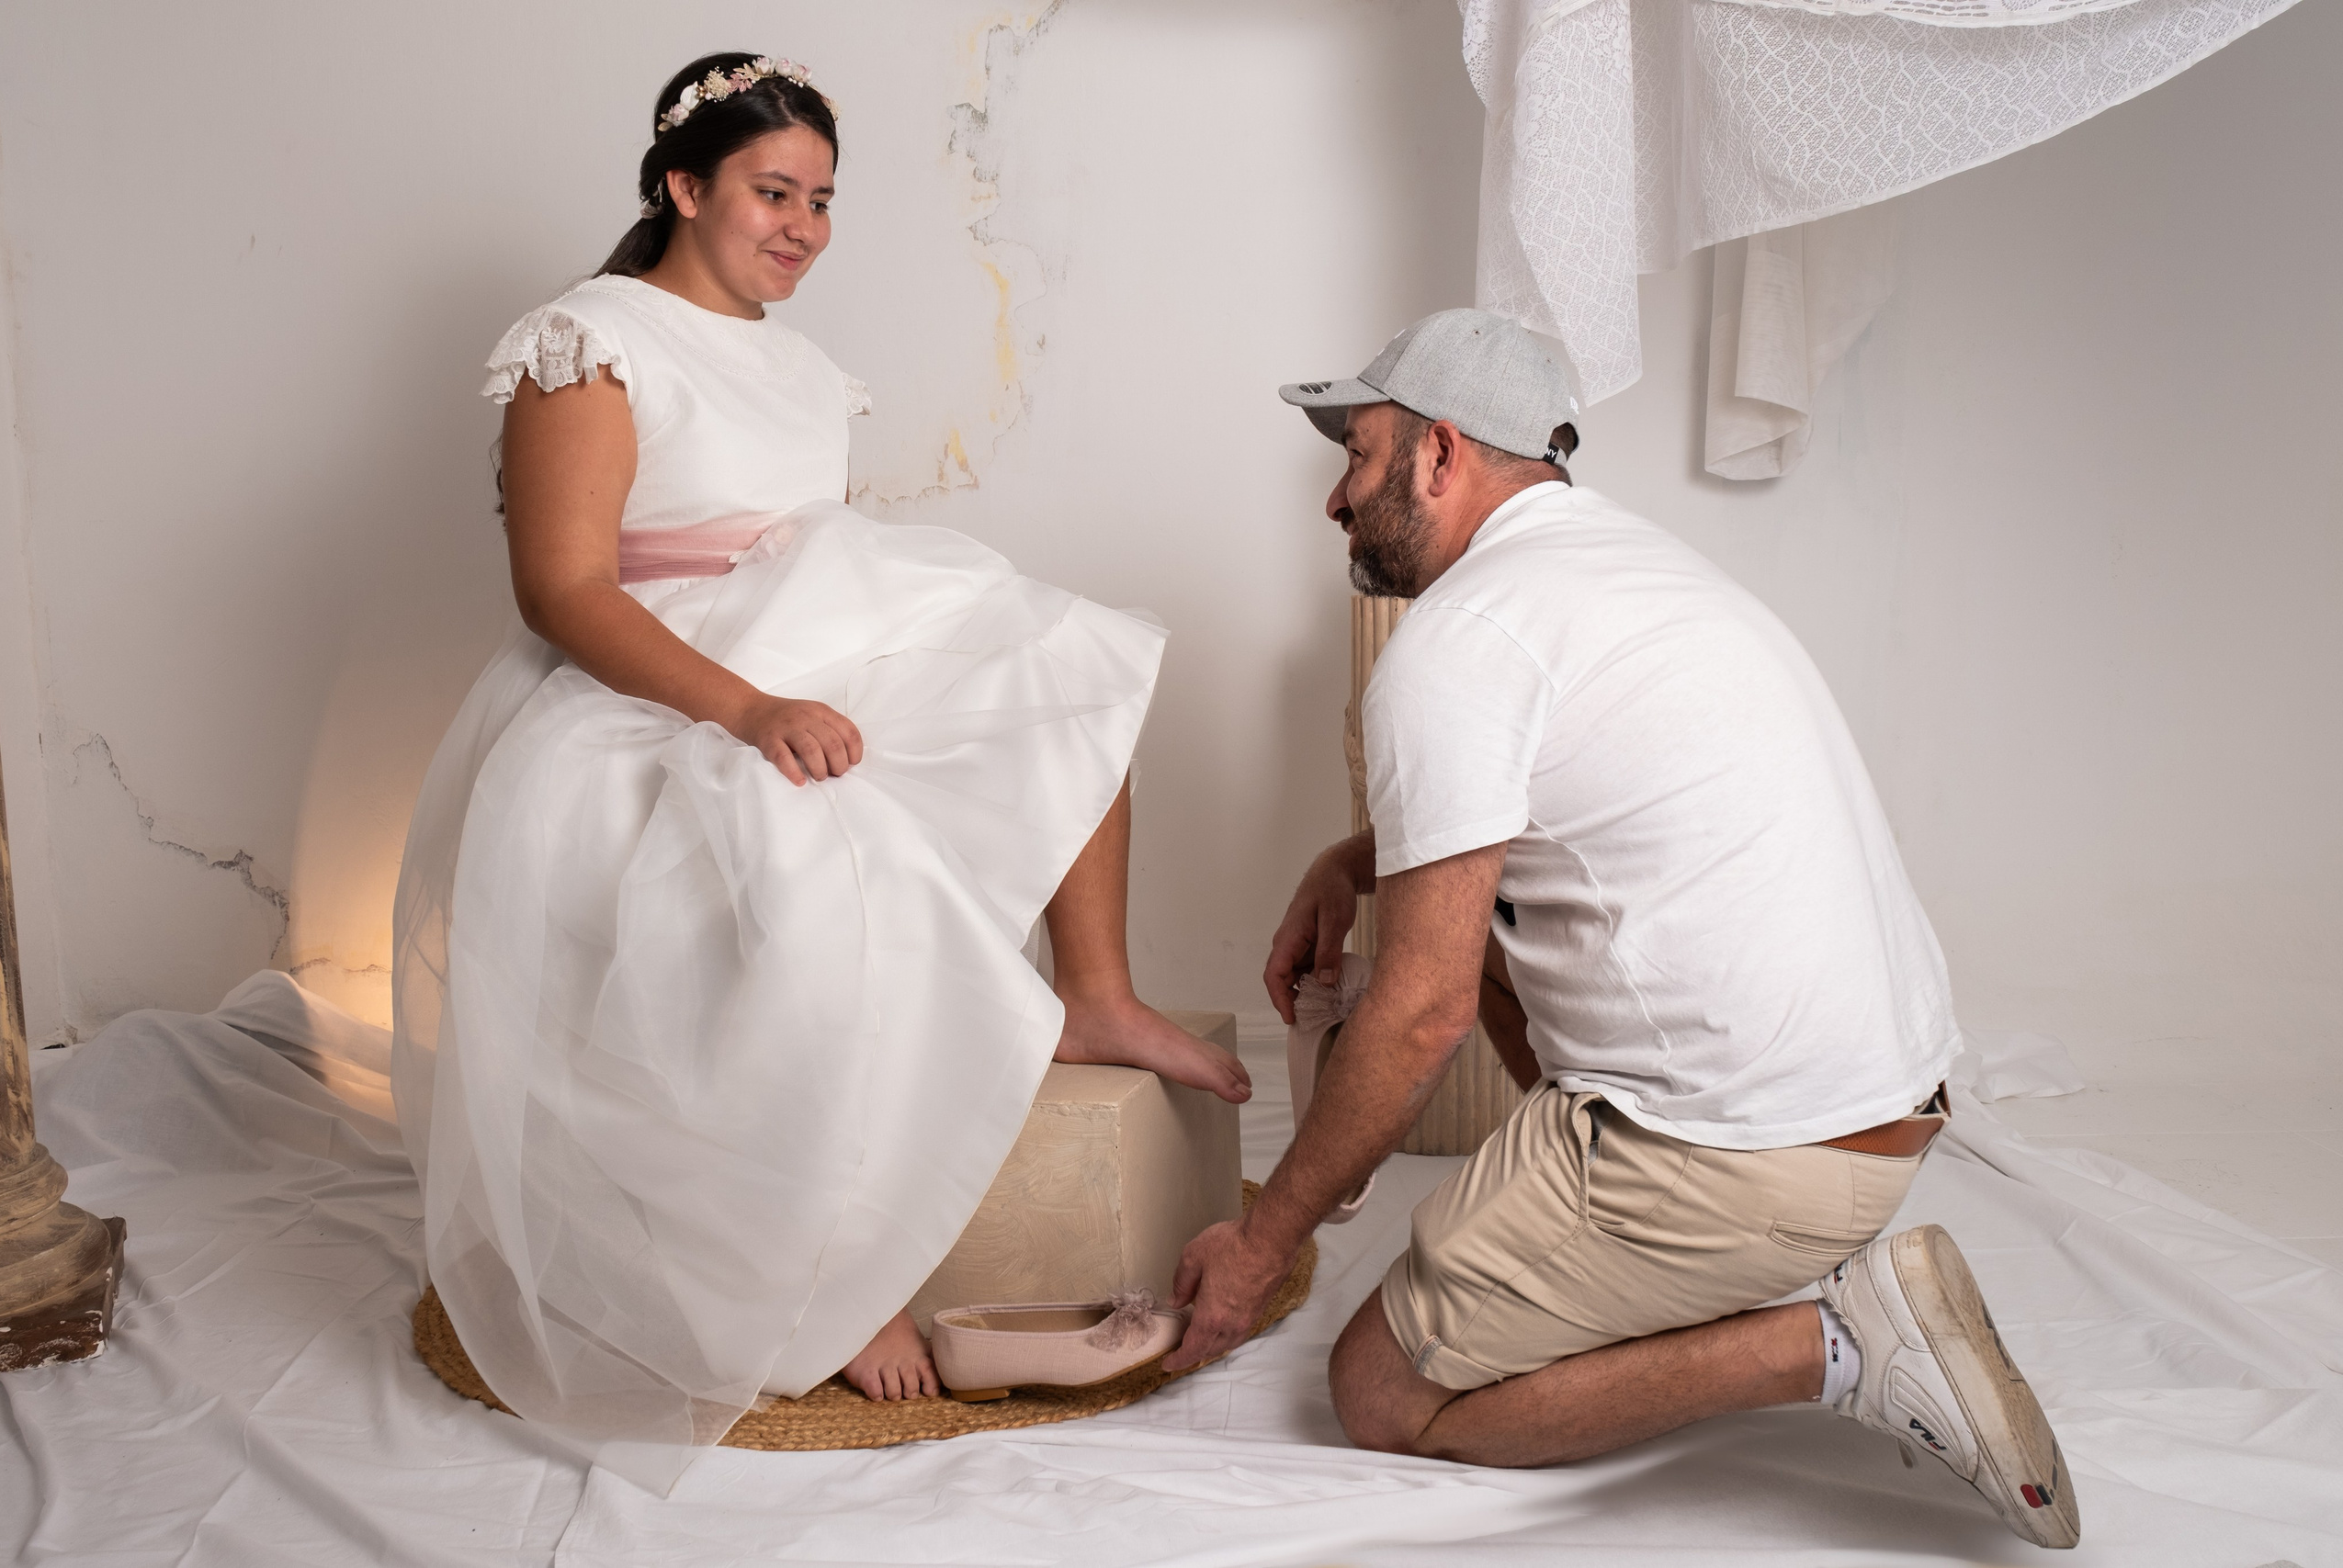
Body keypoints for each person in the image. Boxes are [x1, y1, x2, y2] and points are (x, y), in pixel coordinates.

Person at [389, 51, 1248, 1461]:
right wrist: (746, 711)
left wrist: (834, 683)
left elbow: (803, 559)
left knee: (1060, 671)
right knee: (826, 859)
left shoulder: (803, 369)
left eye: (823, 201)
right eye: (771, 192)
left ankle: (1094, 993)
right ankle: (827, 1278)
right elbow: (565, 590)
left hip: (803, 652)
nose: (801, 227)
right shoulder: (591, 339)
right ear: (683, 186)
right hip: (650, 699)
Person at [1166, 310, 2079, 1551]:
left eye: (1359, 455)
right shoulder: (1628, 571)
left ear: (1440, 454)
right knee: (1478, 914)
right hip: (1878, 1113)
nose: (1335, 499)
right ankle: (1665, 1252)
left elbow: (1424, 1011)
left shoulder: (1460, 643)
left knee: (1379, 1390)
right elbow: (1581, 796)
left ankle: (1840, 1345)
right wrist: (1355, 860)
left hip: (1755, 1161)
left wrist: (1263, 1245)